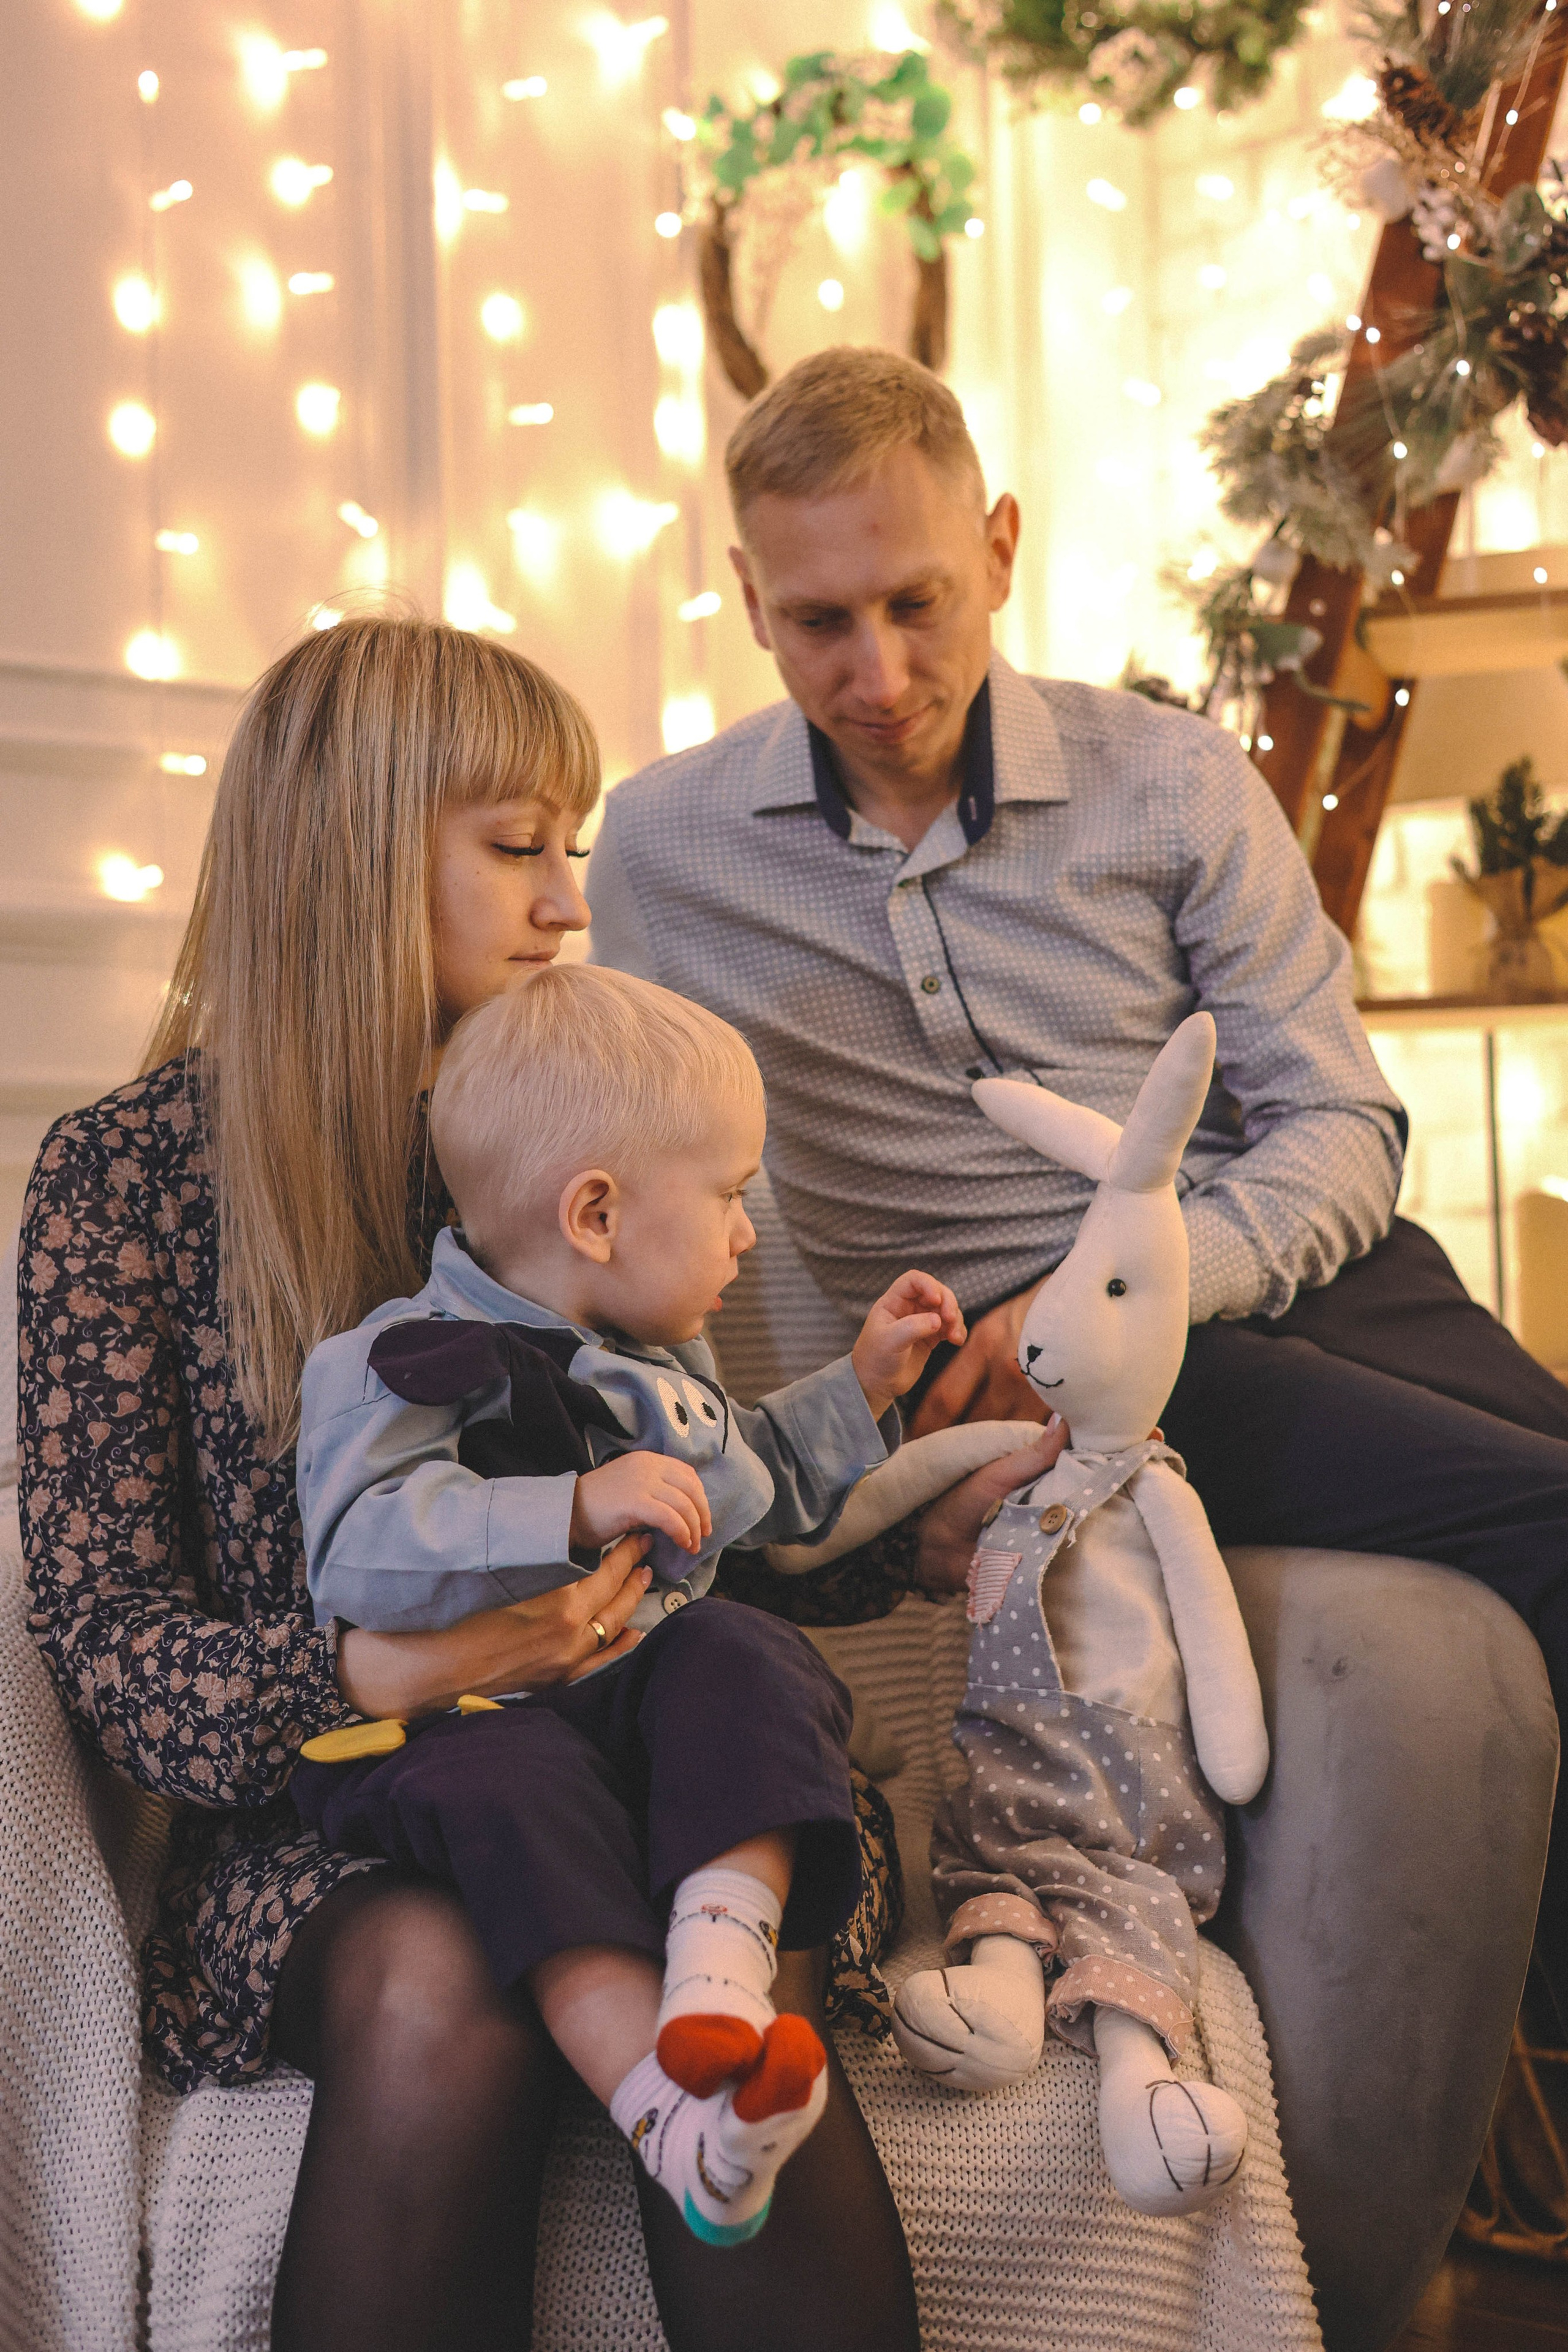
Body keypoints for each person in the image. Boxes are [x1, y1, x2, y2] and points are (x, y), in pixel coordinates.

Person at [17, 616, 1049, 2352]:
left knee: (734, 1891)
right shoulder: (123, 1182)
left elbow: (705, 1514)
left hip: (660, 1750)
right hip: (336, 1809)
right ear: (351, 859)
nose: (571, 898)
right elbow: (113, 1644)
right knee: (435, 1983)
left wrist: (895, 1534)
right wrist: (400, 1671)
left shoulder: (593, 1128)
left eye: (568, 847)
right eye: (517, 850)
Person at [586, 343, 1568, 2027]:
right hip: (1072, 1391)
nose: (879, 669)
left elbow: (1339, 1120)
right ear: (750, 599)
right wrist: (825, 1481)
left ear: (1002, 549)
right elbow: (637, 1195)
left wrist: (1138, 1272)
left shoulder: (1171, 780)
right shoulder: (662, 850)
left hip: (1301, 1267)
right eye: (820, 620)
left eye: (918, 599)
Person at [290, 962, 965, 2245]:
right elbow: (358, 1553)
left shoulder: (660, 1368)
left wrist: (864, 1389)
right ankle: (666, 2116)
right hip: (474, 1725)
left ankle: (717, 1971)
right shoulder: (394, 1359)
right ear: (594, 1213)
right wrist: (574, 1506)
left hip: (637, 1710)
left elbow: (751, 1491)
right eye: (725, 1196)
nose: (745, 1233)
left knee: (740, 1648)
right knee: (513, 1801)